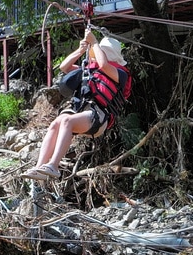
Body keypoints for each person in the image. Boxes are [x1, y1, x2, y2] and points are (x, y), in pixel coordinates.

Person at [23, 29, 132, 181]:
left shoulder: (121, 74)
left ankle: (53, 165)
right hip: (81, 111)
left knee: (67, 121)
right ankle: (39, 167)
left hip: (99, 116)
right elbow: (64, 67)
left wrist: (94, 42)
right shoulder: (91, 70)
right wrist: (81, 50)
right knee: (56, 123)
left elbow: (104, 65)